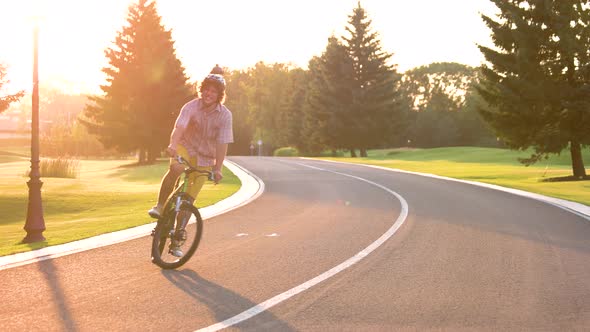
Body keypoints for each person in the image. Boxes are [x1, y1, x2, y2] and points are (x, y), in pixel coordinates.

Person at [148, 64, 233, 256]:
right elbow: (179, 128)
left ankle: (177, 239)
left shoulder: (225, 116)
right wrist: (172, 145)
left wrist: (218, 168)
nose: (208, 93)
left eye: (213, 91)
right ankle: (160, 206)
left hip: (205, 158)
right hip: (185, 147)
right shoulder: (191, 106)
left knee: (189, 199)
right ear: (201, 89)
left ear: (219, 95)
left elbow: (222, 144)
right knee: (176, 169)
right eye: (206, 89)